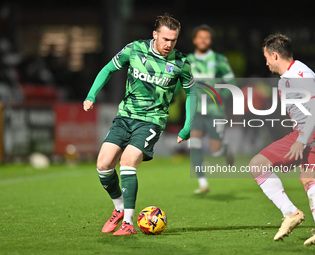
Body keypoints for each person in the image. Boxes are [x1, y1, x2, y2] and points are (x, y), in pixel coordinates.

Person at [83, 13, 195, 235]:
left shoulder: (181, 62)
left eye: (173, 40)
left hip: (152, 121)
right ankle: (119, 209)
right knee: (103, 165)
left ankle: (128, 223)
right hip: (125, 116)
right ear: (155, 35)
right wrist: (91, 95)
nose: (169, 44)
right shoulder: (134, 49)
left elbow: (192, 94)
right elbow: (108, 69)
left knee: (128, 161)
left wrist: (187, 127)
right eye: (165, 39)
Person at [249, 33, 315, 245]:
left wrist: (301, 141)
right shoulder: (286, 79)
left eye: (267, 57)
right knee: (257, 165)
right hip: (303, 132)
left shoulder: (301, 74)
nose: (266, 62)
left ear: (275, 55)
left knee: (308, 178)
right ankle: (291, 213)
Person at [187, 25, 235, 194]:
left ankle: (225, 149)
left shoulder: (219, 60)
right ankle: (202, 183)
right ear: (194, 40)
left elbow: (231, 81)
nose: (203, 40)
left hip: (214, 110)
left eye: (206, 38)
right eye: (200, 37)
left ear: (210, 41)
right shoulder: (187, 61)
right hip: (196, 110)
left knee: (215, 151)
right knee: (194, 143)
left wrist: (220, 95)